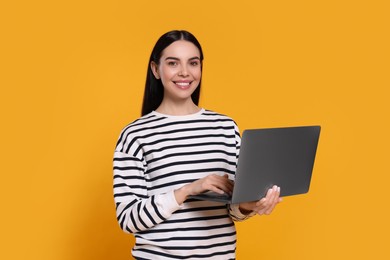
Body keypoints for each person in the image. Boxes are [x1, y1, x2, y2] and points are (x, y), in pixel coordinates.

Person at [113, 30, 282, 259]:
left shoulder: (225, 127)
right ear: (155, 69)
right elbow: (128, 219)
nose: (185, 72)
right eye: (173, 63)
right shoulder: (135, 134)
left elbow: (233, 209)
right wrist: (187, 190)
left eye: (193, 63)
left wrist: (250, 205)